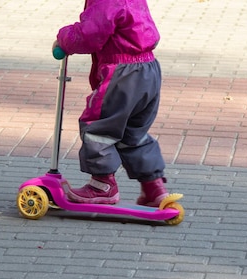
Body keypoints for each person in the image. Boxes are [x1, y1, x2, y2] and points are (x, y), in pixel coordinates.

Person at [53, 0, 171, 206]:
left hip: (122, 73)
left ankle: (102, 186)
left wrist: (64, 39)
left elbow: (90, 33)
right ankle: (154, 188)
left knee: (98, 128)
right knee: (132, 133)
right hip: (148, 70)